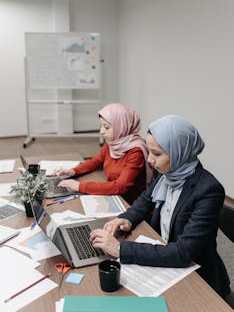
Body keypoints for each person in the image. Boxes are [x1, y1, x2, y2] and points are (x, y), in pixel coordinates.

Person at [90, 115, 230, 299]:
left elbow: (183, 252)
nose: (149, 160)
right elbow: (145, 200)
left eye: (156, 154)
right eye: (149, 151)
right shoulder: (168, 173)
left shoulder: (209, 190)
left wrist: (120, 249)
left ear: (179, 152)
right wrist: (126, 218)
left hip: (196, 275)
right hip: (164, 255)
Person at [56, 103, 152, 205]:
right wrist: (73, 171)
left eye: (106, 127)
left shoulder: (136, 152)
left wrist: (79, 186)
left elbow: (120, 186)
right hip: (114, 195)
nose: (101, 131)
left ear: (121, 126)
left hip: (130, 203)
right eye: (101, 126)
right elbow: (96, 161)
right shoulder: (114, 142)